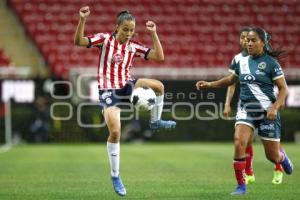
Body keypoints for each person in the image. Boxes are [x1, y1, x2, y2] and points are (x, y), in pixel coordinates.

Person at [74, 6, 176, 196]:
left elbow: (159, 57)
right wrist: (82, 20)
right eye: (125, 29)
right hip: (108, 91)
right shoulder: (105, 40)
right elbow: (79, 41)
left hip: (128, 86)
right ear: (117, 27)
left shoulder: (133, 46)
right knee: (115, 132)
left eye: (132, 30)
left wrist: (154, 33)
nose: (129, 34)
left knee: (159, 86)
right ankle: (115, 176)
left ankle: (155, 121)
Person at [196, 27, 293, 195]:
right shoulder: (241, 61)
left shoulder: (271, 63)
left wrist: (275, 107)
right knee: (238, 141)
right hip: (246, 109)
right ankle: (241, 186)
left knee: (272, 156)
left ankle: (282, 158)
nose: (249, 43)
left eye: (253, 40)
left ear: (263, 43)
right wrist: (210, 84)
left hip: (266, 113)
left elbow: (283, 89)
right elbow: (230, 80)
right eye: (247, 40)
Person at [224, 28, 284, 185]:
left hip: (267, 104)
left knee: (271, 146)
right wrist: (227, 103)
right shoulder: (238, 59)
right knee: (243, 141)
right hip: (246, 105)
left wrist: (276, 105)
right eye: (243, 38)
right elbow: (231, 82)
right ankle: (248, 173)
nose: (245, 41)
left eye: (249, 38)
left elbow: (280, 86)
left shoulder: (267, 60)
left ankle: (279, 165)